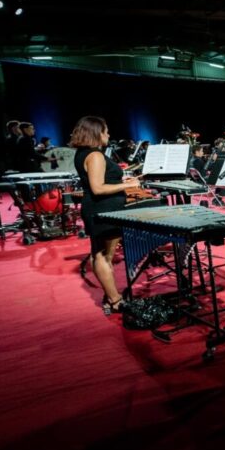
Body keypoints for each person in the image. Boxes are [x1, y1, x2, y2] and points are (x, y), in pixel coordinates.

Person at [71, 116, 140, 314]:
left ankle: (111, 296)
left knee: (99, 252)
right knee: (103, 255)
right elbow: (98, 188)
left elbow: (99, 180)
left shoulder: (83, 153)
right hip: (104, 208)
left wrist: (122, 179)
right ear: (96, 133)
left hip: (98, 207)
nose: (108, 135)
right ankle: (115, 300)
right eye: (105, 131)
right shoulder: (95, 155)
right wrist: (128, 185)